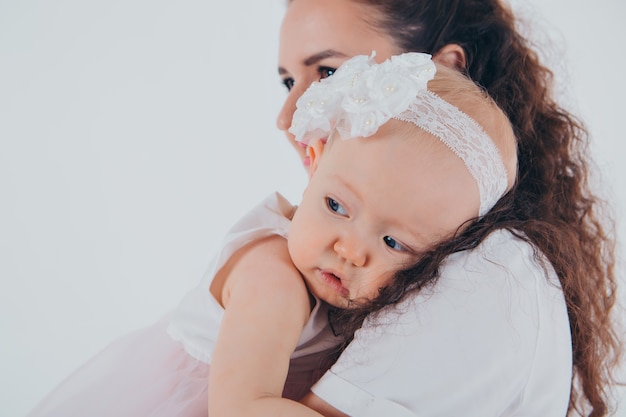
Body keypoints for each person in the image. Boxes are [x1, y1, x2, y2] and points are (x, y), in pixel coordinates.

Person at [27, 53, 519, 416]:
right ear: (315, 158)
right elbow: (242, 406)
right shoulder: (274, 279)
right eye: (336, 206)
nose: (349, 249)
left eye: (394, 244)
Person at [276, 0, 622, 416]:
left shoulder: (485, 274)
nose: (287, 117)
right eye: (288, 81)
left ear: (445, 71)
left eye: (329, 73)